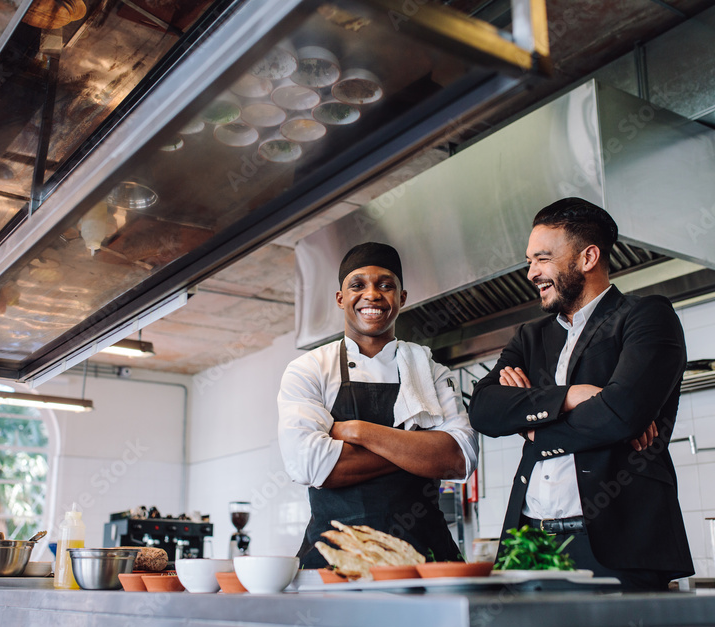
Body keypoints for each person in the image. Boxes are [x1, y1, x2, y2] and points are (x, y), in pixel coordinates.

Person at [468, 198, 693, 591]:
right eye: (529, 262)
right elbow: (484, 411)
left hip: (617, 545)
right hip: (531, 541)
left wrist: (533, 427)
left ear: (588, 257)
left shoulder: (646, 316)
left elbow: (621, 413)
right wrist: (568, 397)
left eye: (542, 259)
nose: (531, 273)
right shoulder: (531, 336)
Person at [278, 242, 478, 568]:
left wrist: (357, 431)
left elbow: (459, 458)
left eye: (386, 285)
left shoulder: (431, 370)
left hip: (424, 558)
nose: (372, 294)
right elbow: (310, 466)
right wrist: (419, 450)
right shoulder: (309, 369)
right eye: (358, 285)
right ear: (341, 298)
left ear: (401, 297)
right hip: (335, 559)